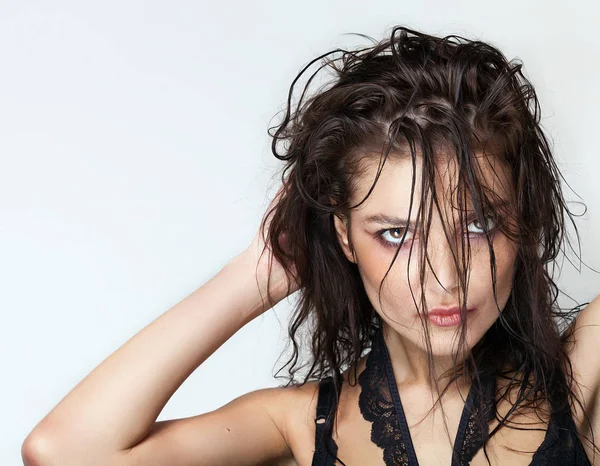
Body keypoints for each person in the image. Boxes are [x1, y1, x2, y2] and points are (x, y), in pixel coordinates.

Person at [22, 25, 600, 466]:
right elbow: (67, 451)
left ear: (522, 220)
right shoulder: (299, 423)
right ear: (344, 236)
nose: (443, 277)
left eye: (477, 225)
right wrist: (262, 271)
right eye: (395, 233)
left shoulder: (583, 373)